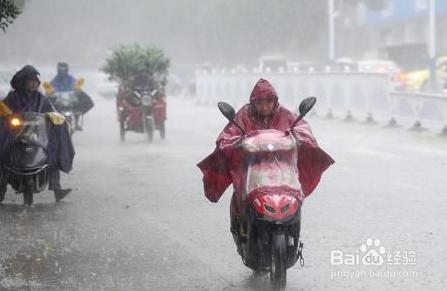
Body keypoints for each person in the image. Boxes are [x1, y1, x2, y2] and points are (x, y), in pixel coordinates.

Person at [197, 79, 334, 238]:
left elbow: (302, 129)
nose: (264, 107)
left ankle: (294, 228)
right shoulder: (243, 115)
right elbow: (227, 136)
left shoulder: (285, 114)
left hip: (283, 167)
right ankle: (240, 224)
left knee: (295, 192)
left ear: (274, 102)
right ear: (253, 103)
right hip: (252, 167)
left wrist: (299, 139)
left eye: (268, 102)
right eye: (260, 103)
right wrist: (235, 142)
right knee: (240, 188)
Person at [0, 65, 75, 202]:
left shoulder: (41, 98)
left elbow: (51, 111)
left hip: (37, 137)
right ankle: (1, 190)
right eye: (31, 80)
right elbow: (3, 112)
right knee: (4, 156)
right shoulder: (12, 98)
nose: (34, 83)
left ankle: (56, 188)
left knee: (51, 152)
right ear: (23, 82)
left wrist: (55, 117)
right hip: (14, 138)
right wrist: (5, 117)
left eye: (36, 81)